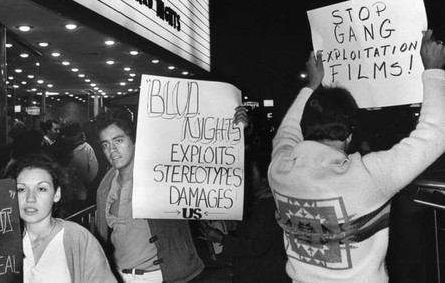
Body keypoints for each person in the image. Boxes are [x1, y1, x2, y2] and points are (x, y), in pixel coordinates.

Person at [267, 29, 445, 282]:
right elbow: (436, 134)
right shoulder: (368, 176)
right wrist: (434, 69)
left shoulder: (278, 169)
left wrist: (311, 86)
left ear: (306, 129)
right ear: (349, 134)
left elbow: (285, 133)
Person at [0, 153, 117, 283]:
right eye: (21, 189)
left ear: (56, 194)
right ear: (11, 194)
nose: (30, 198)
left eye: (41, 189)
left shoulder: (77, 238)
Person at [94, 107, 205, 283]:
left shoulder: (163, 177)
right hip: (118, 276)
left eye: (119, 140)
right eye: (105, 144)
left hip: (159, 276)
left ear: (135, 141)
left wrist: (237, 133)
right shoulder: (105, 187)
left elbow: (208, 173)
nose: (112, 150)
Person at [200, 149, 290, 283]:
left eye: (250, 174)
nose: (244, 178)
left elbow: (257, 246)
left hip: (265, 275)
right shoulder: (260, 200)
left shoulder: (271, 205)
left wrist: (222, 239)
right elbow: (257, 232)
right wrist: (237, 226)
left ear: (265, 177)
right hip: (256, 272)